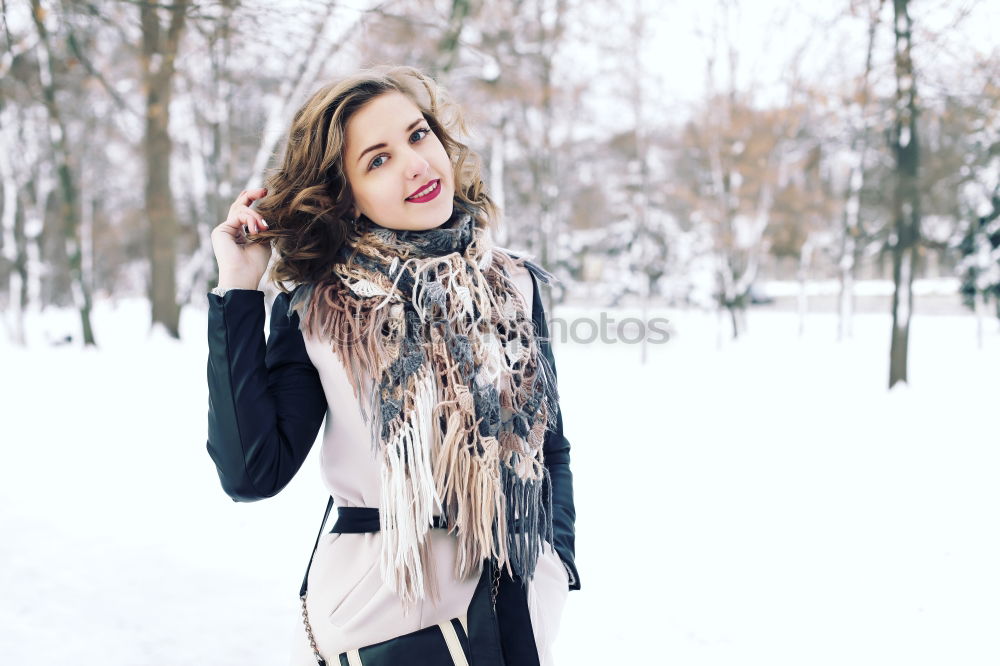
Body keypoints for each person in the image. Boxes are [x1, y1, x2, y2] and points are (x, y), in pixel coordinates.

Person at [205, 65, 579, 665]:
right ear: (344, 196)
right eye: (376, 160)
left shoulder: (512, 284)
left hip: (512, 614)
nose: (414, 163)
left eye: (418, 135)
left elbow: (549, 444)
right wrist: (239, 290)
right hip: (392, 620)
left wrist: (556, 563)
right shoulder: (317, 310)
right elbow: (252, 473)